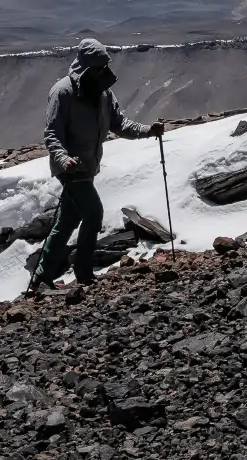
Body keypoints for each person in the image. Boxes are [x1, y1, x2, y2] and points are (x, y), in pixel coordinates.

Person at [31, 38, 163, 293]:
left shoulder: (103, 93)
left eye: (103, 67)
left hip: (88, 167)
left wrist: (149, 131)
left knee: (67, 221)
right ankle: (83, 273)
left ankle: (41, 276)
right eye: (97, 67)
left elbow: (120, 124)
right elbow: (52, 134)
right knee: (94, 213)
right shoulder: (63, 92)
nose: (102, 72)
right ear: (84, 66)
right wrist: (63, 159)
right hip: (71, 169)